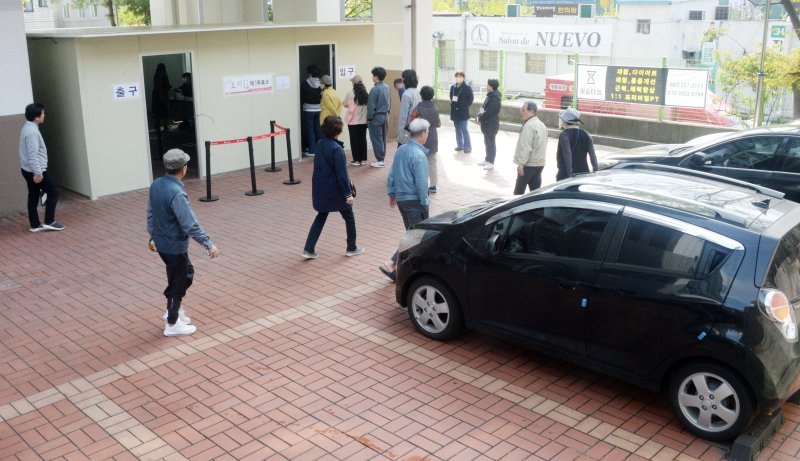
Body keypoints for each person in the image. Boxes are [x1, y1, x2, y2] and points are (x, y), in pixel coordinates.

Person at [147, 149, 219, 337]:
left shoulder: (156, 185)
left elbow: (150, 213)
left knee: (177, 276)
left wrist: (153, 235)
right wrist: (208, 243)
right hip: (174, 245)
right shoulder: (177, 193)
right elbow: (190, 224)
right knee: (181, 278)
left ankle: (174, 310)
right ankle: (172, 322)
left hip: (162, 243)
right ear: (184, 168)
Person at [303, 116, 365, 259]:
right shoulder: (337, 149)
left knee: (321, 215)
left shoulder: (319, 144)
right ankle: (351, 247)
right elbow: (342, 175)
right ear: (338, 131)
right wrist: (348, 194)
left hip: (321, 187)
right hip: (335, 190)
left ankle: (308, 249)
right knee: (349, 215)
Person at [380, 118, 431, 282]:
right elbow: (422, 184)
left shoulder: (401, 150)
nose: (428, 135)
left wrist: (392, 193)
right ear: (422, 134)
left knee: (413, 235)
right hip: (414, 201)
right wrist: (425, 202)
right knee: (416, 237)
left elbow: (392, 173)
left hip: (402, 199)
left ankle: (400, 268)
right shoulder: (419, 155)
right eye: (427, 132)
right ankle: (392, 263)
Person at [19, 103, 64, 232]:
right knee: (53, 191)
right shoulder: (32, 131)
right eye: (43, 113)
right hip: (35, 170)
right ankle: (49, 221)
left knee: (33, 195)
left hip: (27, 169)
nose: (44, 115)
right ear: (36, 117)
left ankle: (35, 225)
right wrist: (38, 173)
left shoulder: (27, 127)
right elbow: (33, 154)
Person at [513, 101, 549, 195]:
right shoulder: (542, 125)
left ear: (531, 111)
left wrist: (521, 164)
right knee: (535, 193)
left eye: (523, 110)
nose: (521, 112)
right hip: (540, 164)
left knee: (518, 194)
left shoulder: (529, 126)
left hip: (529, 164)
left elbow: (526, 146)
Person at [556, 108, 598, 180]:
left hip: (566, 174)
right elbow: (592, 155)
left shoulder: (564, 135)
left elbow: (567, 155)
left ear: (565, 121)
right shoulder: (586, 134)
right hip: (583, 173)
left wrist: (570, 174)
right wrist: (596, 171)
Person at [416, 86, 441, 194]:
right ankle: (433, 186)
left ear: (421, 95)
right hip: (432, 137)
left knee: (421, 163)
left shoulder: (418, 108)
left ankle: (422, 185)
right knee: (432, 162)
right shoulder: (435, 108)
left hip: (420, 137)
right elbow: (438, 124)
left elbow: (412, 122)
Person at [367, 67, 391, 168]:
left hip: (376, 117)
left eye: (373, 75)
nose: (372, 77)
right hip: (385, 115)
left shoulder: (374, 90)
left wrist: (369, 118)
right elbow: (390, 102)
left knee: (376, 139)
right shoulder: (387, 87)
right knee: (383, 138)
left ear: (376, 77)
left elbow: (371, 107)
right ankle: (382, 159)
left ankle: (380, 160)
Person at [343, 75, 369, 166]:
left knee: (354, 140)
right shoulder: (366, 94)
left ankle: (357, 160)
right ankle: (364, 159)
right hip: (363, 121)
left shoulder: (350, 93)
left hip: (353, 121)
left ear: (354, 83)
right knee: (362, 139)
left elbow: (345, 104)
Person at [477, 79, 501, 170]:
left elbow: (489, 111)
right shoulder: (490, 95)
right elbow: (483, 107)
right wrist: (478, 116)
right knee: (487, 142)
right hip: (486, 123)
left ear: (491, 86)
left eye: (487, 85)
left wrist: (480, 118)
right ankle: (487, 159)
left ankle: (491, 162)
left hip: (491, 124)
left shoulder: (495, 97)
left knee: (491, 143)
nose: (486, 86)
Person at [301, 64, 323, 157]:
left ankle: (312, 150)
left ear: (309, 73)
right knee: (318, 129)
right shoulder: (322, 84)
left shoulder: (305, 83)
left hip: (308, 110)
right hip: (319, 109)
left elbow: (302, 96)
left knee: (310, 130)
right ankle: (319, 149)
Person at [449, 71, 474, 154]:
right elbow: (451, 97)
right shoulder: (453, 87)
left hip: (463, 112)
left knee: (464, 129)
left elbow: (471, 99)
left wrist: (464, 105)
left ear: (463, 78)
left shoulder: (467, 88)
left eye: (460, 76)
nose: (458, 78)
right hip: (454, 111)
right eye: (457, 76)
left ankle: (468, 146)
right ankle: (460, 145)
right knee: (457, 129)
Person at [397, 69, 421, 146]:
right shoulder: (417, 92)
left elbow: (403, 117)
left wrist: (400, 133)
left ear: (406, 80)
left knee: (402, 152)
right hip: (416, 126)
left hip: (406, 129)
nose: (402, 81)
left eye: (403, 78)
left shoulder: (406, 94)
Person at [151, 63, 171, 131]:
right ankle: (165, 126)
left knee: (157, 112)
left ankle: (157, 126)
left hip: (155, 96)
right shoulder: (164, 74)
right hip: (162, 96)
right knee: (164, 111)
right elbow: (166, 85)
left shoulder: (156, 75)